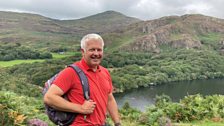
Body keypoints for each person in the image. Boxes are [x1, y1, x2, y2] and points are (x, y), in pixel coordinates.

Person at [44, 33, 121, 126]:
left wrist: (117, 123)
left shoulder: (105, 72)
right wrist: (80, 108)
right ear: (83, 51)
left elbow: (109, 99)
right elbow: (49, 97)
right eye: (92, 50)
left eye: (99, 50)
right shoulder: (71, 72)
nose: (96, 53)